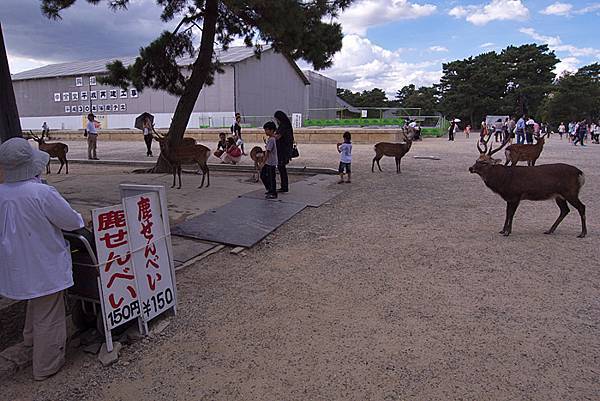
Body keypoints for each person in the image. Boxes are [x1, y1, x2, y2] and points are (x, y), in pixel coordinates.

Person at [0, 138, 84, 381]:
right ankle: (46, 365)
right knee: (49, 310)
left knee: (34, 299)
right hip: (43, 261)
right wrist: (81, 220)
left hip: (15, 263)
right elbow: (70, 221)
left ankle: (30, 340)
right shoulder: (40, 192)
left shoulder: (2, 193)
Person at [274, 110, 294, 193]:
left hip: (282, 150)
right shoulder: (287, 125)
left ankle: (284, 187)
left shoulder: (283, 126)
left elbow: (277, 137)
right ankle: (284, 186)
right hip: (286, 150)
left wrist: (271, 135)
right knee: (282, 168)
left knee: (281, 168)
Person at [261, 121, 278, 199]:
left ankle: (273, 192)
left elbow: (267, 152)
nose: (265, 131)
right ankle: (270, 189)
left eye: (266, 130)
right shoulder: (271, 139)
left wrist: (263, 162)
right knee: (264, 175)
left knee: (271, 177)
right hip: (269, 162)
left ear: (271, 130)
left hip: (270, 162)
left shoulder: (271, 139)